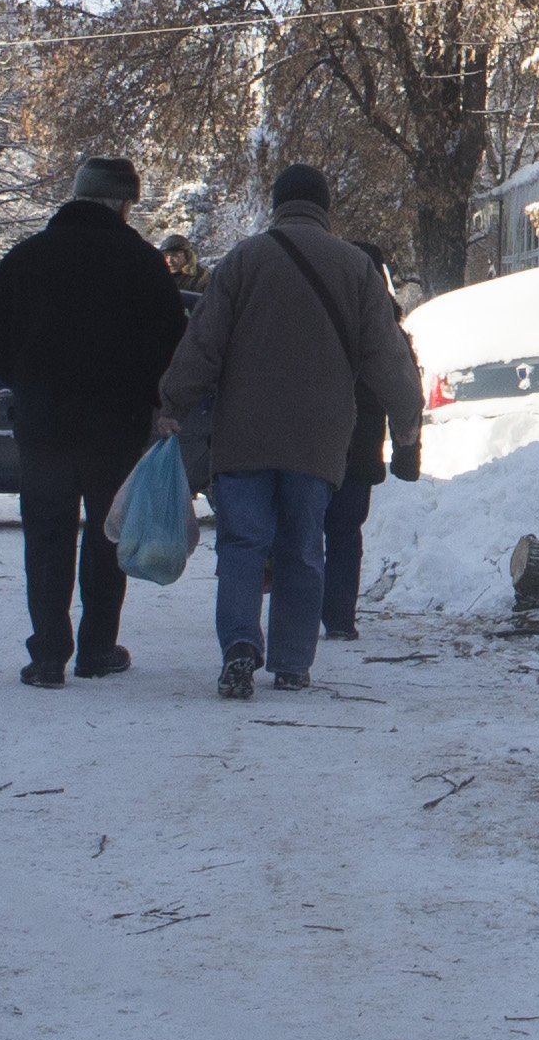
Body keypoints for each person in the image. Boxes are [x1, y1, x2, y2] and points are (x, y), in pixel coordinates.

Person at [159, 163, 420, 699]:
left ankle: (238, 645)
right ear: (325, 209)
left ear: (277, 205)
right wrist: (408, 426)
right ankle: (293, 661)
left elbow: (202, 344)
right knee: (304, 546)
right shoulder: (354, 269)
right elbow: (388, 360)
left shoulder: (242, 261)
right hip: (319, 438)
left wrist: (172, 405)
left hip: (244, 436)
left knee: (242, 543)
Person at [0, 158, 185, 689]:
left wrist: (23, 374)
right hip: (116, 420)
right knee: (107, 532)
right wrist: (148, 390)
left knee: (46, 532)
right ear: (123, 204)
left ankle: (46, 654)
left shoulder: (30, 256)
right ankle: (96, 649)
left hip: (43, 419)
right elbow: (172, 340)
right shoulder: (141, 262)